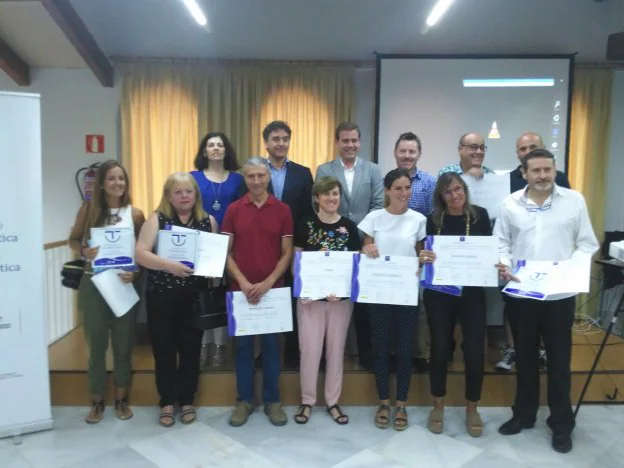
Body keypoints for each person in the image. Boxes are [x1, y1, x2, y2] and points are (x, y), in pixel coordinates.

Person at [494, 149, 598, 453]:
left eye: (547, 170)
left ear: (555, 171)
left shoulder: (574, 201)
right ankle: (524, 415)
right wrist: (504, 264)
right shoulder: (510, 203)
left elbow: (587, 243)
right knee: (524, 356)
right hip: (522, 292)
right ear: (524, 173)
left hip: (559, 295)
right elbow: (502, 241)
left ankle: (561, 425)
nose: (542, 176)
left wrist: (569, 271)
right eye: (536, 171)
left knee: (558, 360)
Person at [135, 172, 218, 427]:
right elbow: (140, 254)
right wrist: (169, 265)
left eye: (189, 191)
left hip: (194, 299)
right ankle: (167, 401)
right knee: (164, 350)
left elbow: (213, 259)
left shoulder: (209, 222)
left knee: (192, 351)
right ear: (169, 196)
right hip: (162, 297)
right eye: (178, 192)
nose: (184, 196)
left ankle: (187, 399)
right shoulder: (157, 219)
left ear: (196, 194)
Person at [68, 160, 145, 424]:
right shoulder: (88, 210)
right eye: (111, 178)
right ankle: (97, 402)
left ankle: (122, 399)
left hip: (124, 283)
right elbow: (74, 238)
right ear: (102, 183)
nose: (117, 183)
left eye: (121, 179)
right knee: (97, 346)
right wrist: (82, 251)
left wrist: (135, 273)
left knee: (124, 346)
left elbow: (143, 251)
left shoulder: (135, 214)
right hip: (94, 284)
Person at [418, 173, 492, 437]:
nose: (455, 196)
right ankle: (438, 405)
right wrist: (423, 256)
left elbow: (490, 252)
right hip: (439, 292)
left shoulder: (481, 216)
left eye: (458, 189)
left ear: (465, 190)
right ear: (441, 196)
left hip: (472, 292)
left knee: (474, 350)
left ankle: (472, 408)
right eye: (448, 192)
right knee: (439, 348)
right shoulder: (432, 220)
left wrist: (493, 261)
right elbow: (422, 256)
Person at [222, 157, 293, 427]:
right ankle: (244, 401)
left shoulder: (283, 210)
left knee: (273, 348)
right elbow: (225, 253)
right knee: (242, 349)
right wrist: (242, 281)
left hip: (272, 291)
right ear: (245, 179)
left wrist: (267, 283)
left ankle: (273, 401)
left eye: (261, 175)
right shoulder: (233, 210)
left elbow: (287, 254)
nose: (256, 181)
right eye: (250, 176)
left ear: (268, 177)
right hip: (240, 292)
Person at [496, 132, 572, 372]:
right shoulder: (505, 183)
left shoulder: (560, 181)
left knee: (550, 317)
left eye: (533, 147)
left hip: (552, 268)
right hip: (518, 268)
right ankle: (513, 349)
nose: (527, 152)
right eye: (522, 149)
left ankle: (542, 351)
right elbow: (503, 228)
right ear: (518, 156)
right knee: (515, 312)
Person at [358, 168, 426, 431]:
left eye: (407, 187)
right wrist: (366, 247)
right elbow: (366, 247)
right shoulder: (374, 218)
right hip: (378, 295)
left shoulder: (419, 219)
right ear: (387, 190)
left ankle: (402, 404)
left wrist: (425, 259)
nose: (403, 193)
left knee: (406, 349)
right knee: (381, 347)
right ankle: (384, 401)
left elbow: (421, 254)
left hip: (407, 295)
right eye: (398, 188)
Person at [292, 176, 361, 425]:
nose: (332, 198)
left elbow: (354, 266)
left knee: (335, 350)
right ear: (317, 198)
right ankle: (307, 400)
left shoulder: (350, 227)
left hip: (339, 300)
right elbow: (296, 263)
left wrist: (339, 292)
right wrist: (306, 289)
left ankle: (333, 401)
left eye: (335, 193)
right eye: (326, 194)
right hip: (310, 299)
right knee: (309, 350)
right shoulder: (305, 224)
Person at [316, 122, 384, 370]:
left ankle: (365, 354)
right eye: (345, 140)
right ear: (337, 143)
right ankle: (331, 355)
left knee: (362, 301)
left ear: (360, 142)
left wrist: (362, 235)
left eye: (354, 140)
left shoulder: (373, 170)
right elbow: (321, 204)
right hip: (332, 242)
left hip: (364, 242)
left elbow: (378, 205)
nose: (350, 145)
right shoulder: (324, 169)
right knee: (333, 298)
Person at [191, 132, 243, 367]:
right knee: (202, 296)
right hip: (200, 246)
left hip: (231, 245)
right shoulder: (192, 178)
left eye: (220, 145)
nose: (215, 148)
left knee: (222, 296)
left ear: (226, 150)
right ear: (204, 151)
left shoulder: (238, 180)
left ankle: (220, 348)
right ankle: (202, 345)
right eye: (210, 145)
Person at [394, 131, 436, 373]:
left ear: (418, 154)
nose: (407, 155)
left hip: (418, 253)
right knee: (392, 303)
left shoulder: (429, 182)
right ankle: (394, 353)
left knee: (418, 307)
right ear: (395, 153)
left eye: (412, 151)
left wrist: (425, 254)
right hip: (391, 255)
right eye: (403, 151)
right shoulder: (386, 180)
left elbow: (433, 220)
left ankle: (419, 354)